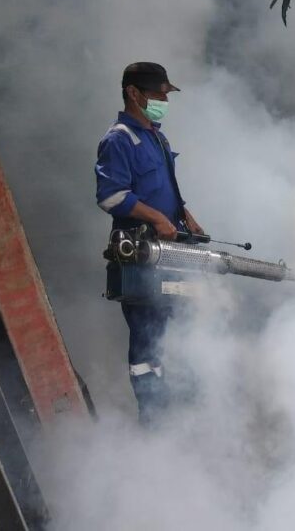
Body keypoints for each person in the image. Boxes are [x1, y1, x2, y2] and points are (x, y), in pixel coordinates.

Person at [94, 62, 204, 424]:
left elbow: (166, 188)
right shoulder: (118, 140)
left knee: (182, 327)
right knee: (147, 338)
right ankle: (154, 418)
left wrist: (184, 214)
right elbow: (110, 196)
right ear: (133, 93)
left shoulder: (157, 136)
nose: (162, 102)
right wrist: (157, 219)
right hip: (139, 255)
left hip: (170, 255)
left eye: (165, 96)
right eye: (157, 95)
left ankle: (183, 410)